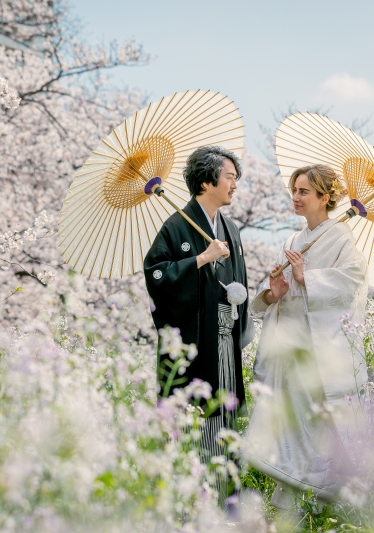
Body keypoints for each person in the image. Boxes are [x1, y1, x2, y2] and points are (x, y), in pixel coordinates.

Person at [244, 164, 369, 510]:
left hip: (317, 351)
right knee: (287, 433)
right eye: (294, 191)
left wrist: (307, 279)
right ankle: (290, 509)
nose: (296, 198)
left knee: (313, 434)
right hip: (289, 348)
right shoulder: (293, 240)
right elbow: (273, 296)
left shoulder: (342, 237)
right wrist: (275, 292)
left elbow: (352, 283)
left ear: (324, 198)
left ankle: (313, 508)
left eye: (304, 192)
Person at [144, 146, 254, 478]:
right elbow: (157, 274)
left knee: (224, 415)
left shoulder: (230, 228)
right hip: (194, 340)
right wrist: (200, 259)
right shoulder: (176, 226)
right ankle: (191, 497)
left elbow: (239, 280)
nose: (235, 185)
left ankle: (225, 496)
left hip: (223, 337)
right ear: (206, 181)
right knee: (193, 415)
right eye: (229, 177)